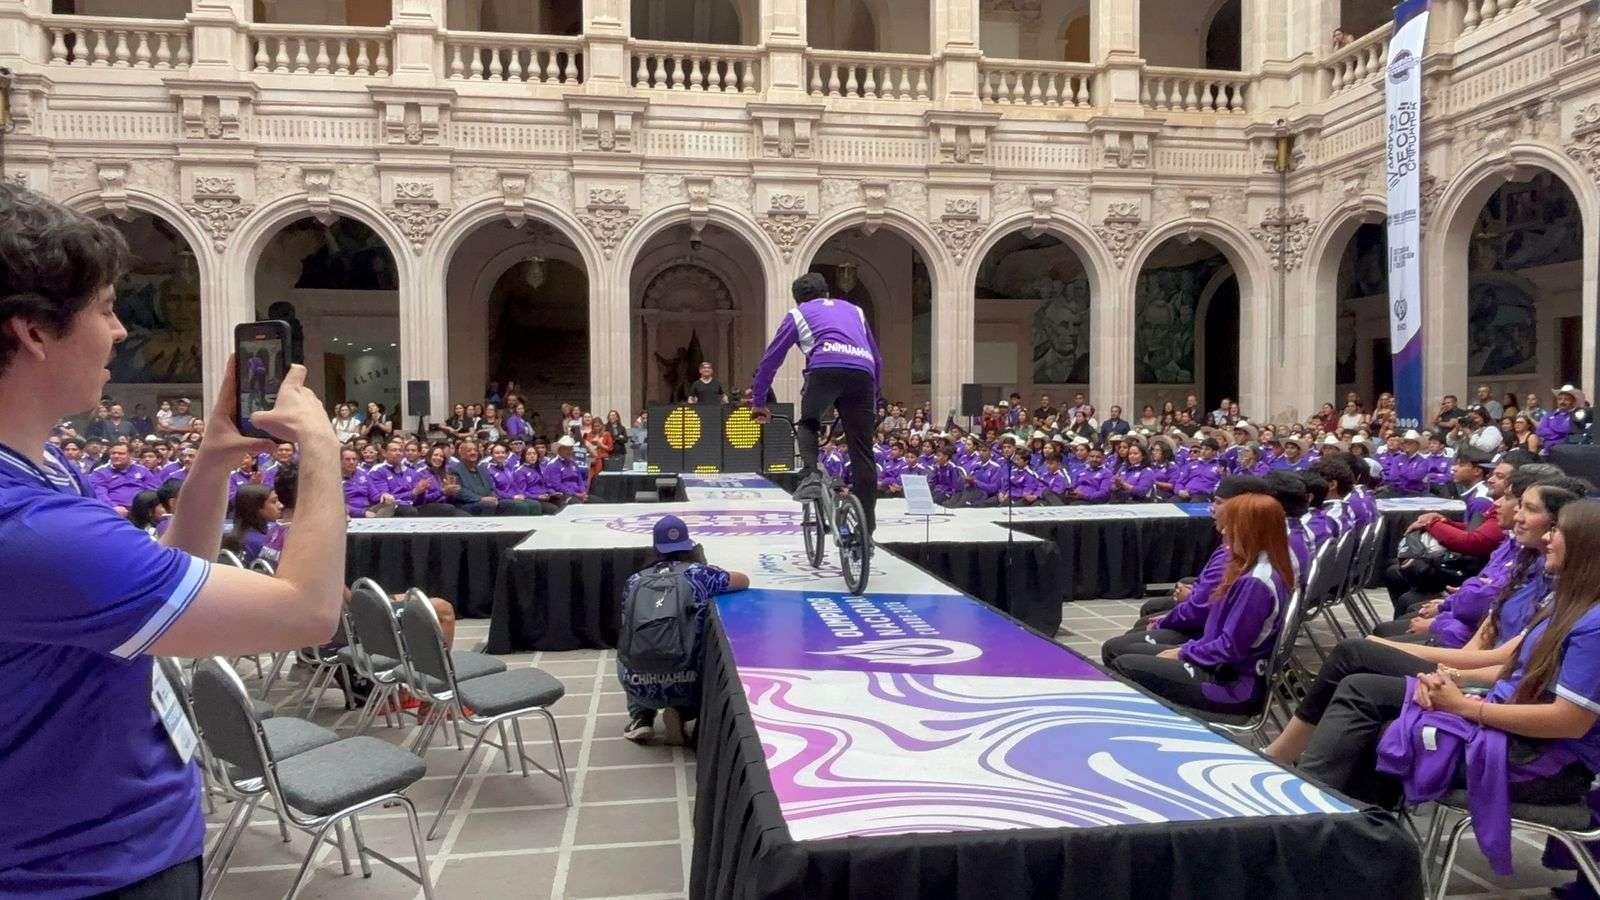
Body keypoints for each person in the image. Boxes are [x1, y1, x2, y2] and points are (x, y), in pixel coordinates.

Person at [0, 183, 349, 899]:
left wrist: (213, 461)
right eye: (105, 308)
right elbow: (308, 611)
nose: (122, 331)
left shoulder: (44, 469)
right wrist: (321, 447)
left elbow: (162, 585)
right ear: (34, 331)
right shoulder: (30, 528)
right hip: (84, 868)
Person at [1294, 500, 1600, 822]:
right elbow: (1514, 670)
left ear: (1586, 546)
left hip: (1542, 763)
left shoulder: (1592, 624)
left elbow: (1569, 721)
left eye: (1558, 531)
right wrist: (1454, 680)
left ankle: (1310, 821)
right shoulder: (1567, 604)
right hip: (1508, 725)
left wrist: (1462, 706)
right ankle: (1337, 826)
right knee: (1368, 699)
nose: (1548, 537)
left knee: (1383, 730)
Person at [1103, 493, 1293, 715]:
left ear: (1250, 531)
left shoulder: (1256, 583)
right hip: (1218, 663)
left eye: (1231, 525)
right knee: (1121, 650)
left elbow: (1230, 648)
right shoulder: (1259, 566)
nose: (1224, 531)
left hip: (1230, 683)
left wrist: (1184, 653)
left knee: (1125, 664)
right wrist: (1187, 649)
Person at [750, 273, 883, 531]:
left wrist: (759, 401)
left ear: (798, 299)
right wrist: (874, 398)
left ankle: (811, 473)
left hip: (825, 368)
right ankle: (867, 527)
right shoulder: (855, 310)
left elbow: (770, 360)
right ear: (827, 293)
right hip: (863, 373)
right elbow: (877, 359)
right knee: (862, 452)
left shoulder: (798, 314)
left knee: (808, 422)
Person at [619, 515, 749, 744]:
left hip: (640, 683)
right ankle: (684, 713)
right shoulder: (699, 574)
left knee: (626, 647)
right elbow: (743, 580)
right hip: (688, 683)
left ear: (656, 548)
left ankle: (641, 717)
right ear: (688, 545)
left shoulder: (634, 581)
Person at [89, 440, 157, 516]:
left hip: (142, 511)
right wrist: (113, 507)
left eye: (121, 454)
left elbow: (153, 491)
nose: (116, 456)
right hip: (112, 511)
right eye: (113, 453)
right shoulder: (100, 472)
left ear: (131, 455)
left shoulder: (143, 470)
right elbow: (100, 494)